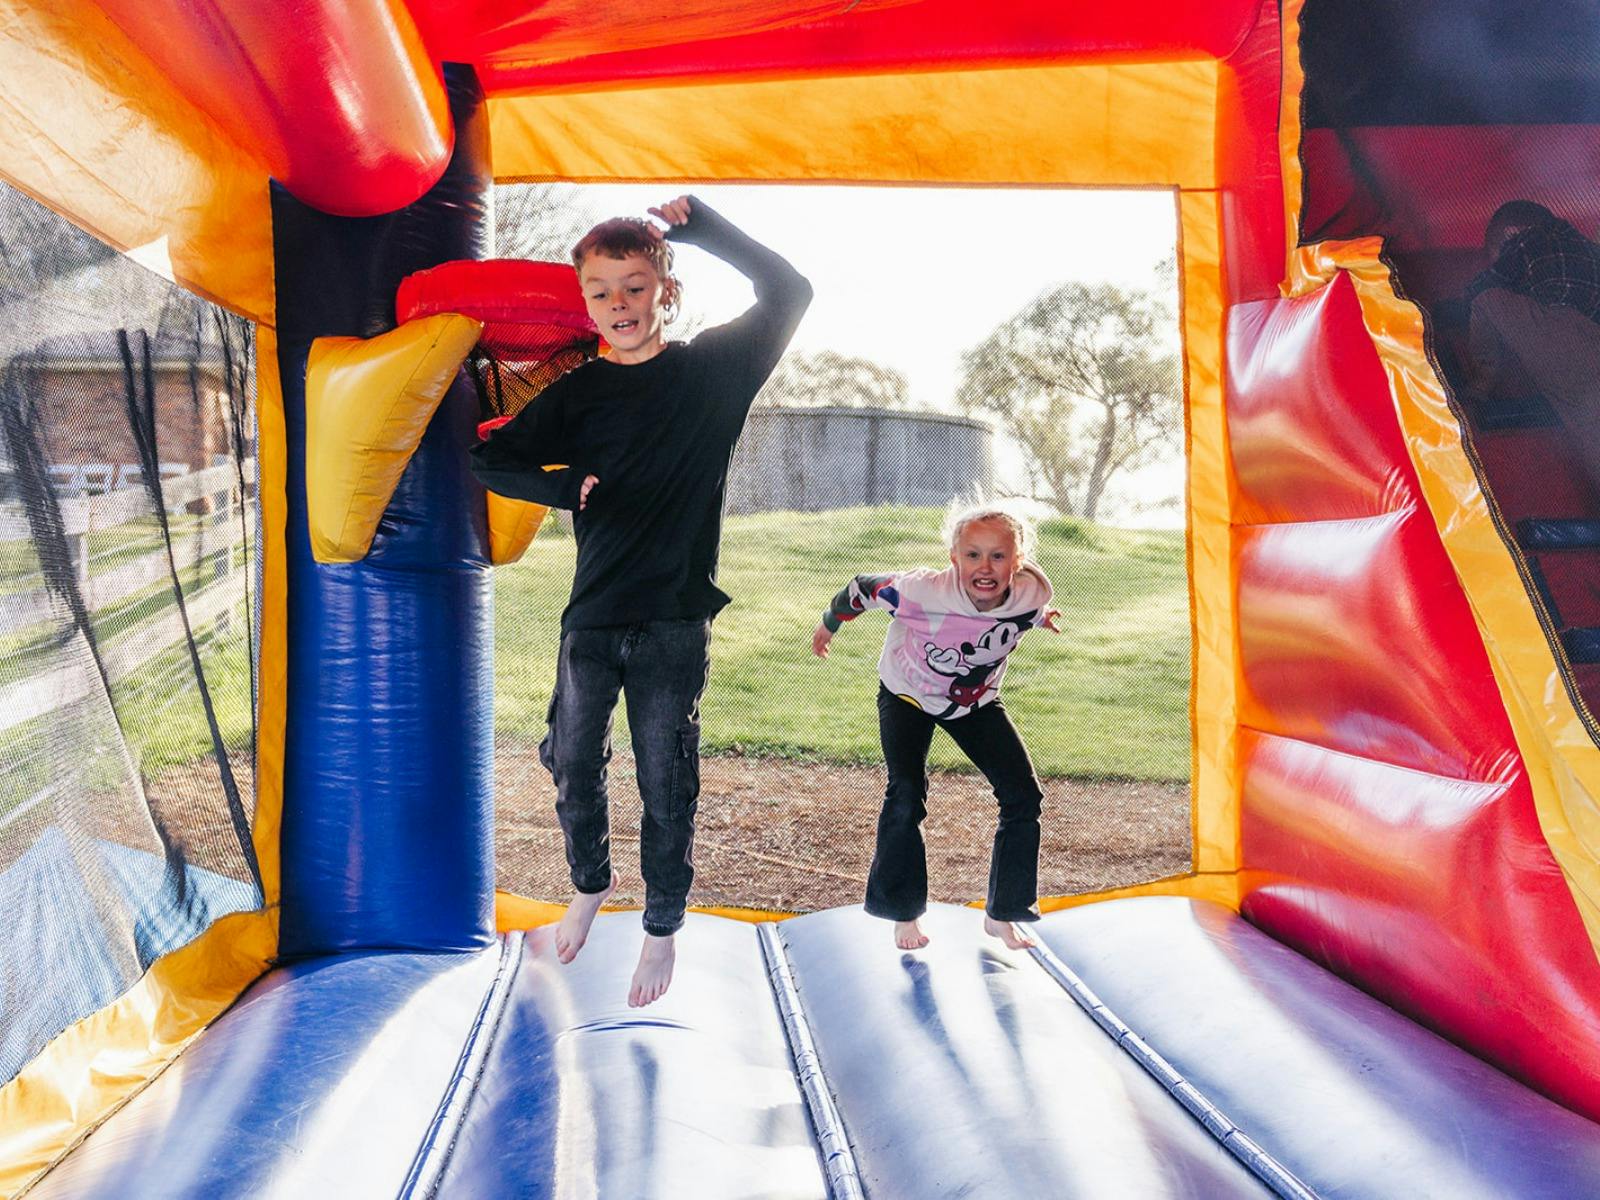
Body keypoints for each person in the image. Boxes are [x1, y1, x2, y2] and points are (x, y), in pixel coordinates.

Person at [470, 195, 811, 1006]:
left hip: (672, 620)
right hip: (590, 618)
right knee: (570, 764)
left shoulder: (712, 374)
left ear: (665, 289)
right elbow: (490, 460)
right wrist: (560, 486)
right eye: (601, 291)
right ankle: (590, 880)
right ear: (585, 301)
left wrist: (706, 228)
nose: (618, 304)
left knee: (666, 777)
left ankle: (661, 927)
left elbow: (789, 292)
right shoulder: (579, 396)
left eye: (634, 286)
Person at [811, 503, 1061, 951]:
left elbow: (1019, 612)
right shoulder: (920, 592)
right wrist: (829, 626)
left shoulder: (1030, 595)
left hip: (974, 703)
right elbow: (860, 589)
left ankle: (1002, 913)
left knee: (1023, 794)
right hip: (907, 692)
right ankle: (903, 911)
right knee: (906, 791)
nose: (985, 567)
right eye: (973, 556)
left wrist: (1041, 619)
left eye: (998, 557)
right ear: (954, 558)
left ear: (1017, 562)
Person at [1464, 199, 1600, 490]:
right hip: (1593, 333)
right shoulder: (1589, 248)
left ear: (1509, 235)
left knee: (1485, 300)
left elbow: (1487, 284)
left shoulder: (1523, 241)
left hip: (1563, 332)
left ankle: (1478, 388)